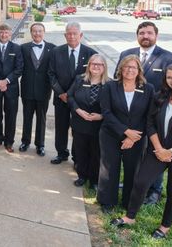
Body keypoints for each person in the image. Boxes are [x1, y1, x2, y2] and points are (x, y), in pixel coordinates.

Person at [110, 64, 172, 239]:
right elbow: (150, 124)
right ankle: (130, 217)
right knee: (141, 181)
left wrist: (170, 152)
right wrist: (159, 149)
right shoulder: (159, 98)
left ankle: (164, 228)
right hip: (158, 150)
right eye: (169, 77)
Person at [116, 21, 172, 205]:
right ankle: (135, 182)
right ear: (137, 35)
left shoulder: (169, 58)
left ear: (156, 36)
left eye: (149, 33)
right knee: (134, 150)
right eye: (142, 32)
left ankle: (155, 190)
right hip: (131, 114)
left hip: (156, 115)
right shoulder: (126, 55)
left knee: (154, 151)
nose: (145, 36)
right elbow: (118, 81)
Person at [98, 55, 154, 213]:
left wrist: (133, 137)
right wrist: (125, 131)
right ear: (121, 69)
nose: (130, 70)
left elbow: (149, 117)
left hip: (136, 138)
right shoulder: (110, 86)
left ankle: (128, 202)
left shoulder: (148, 89)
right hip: (111, 134)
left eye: (133, 67)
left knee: (132, 169)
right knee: (110, 168)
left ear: (139, 71)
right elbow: (106, 113)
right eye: (126, 67)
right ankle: (107, 201)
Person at [48, 22, 97, 164]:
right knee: (61, 127)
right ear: (65, 35)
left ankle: (77, 157)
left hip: (81, 101)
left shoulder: (91, 54)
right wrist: (61, 93)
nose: (72, 36)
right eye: (69, 33)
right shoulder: (56, 52)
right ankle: (61, 153)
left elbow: (94, 76)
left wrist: (73, 95)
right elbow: (51, 74)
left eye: (75, 33)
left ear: (80, 35)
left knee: (78, 130)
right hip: (61, 98)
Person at [67, 54, 108, 189]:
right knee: (81, 151)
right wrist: (78, 110)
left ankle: (94, 180)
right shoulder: (79, 79)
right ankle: (82, 176)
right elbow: (70, 96)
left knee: (96, 153)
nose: (95, 66)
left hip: (99, 126)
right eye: (93, 64)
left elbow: (114, 106)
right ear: (89, 66)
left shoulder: (110, 84)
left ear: (104, 67)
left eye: (99, 64)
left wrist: (101, 116)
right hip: (80, 123)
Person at [19, 23, 56, 156]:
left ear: (44, 32)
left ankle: (40, 144)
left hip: (44, 90)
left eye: (40, 31)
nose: (37, 34)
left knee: (41, 118)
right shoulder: (23, 48)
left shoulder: (52, 49)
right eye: (34, 31)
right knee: (27, 117)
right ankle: (25, 141)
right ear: (31, 33)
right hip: (27, 89)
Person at [0, 23, 23, 153]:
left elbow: (19, 69)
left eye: (6, 32)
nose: (4, 34)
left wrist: (6, 81)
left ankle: (9, 142)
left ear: (10, 34)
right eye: (1, 32)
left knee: (11, 115)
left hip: (11, 87)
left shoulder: (17, 49)